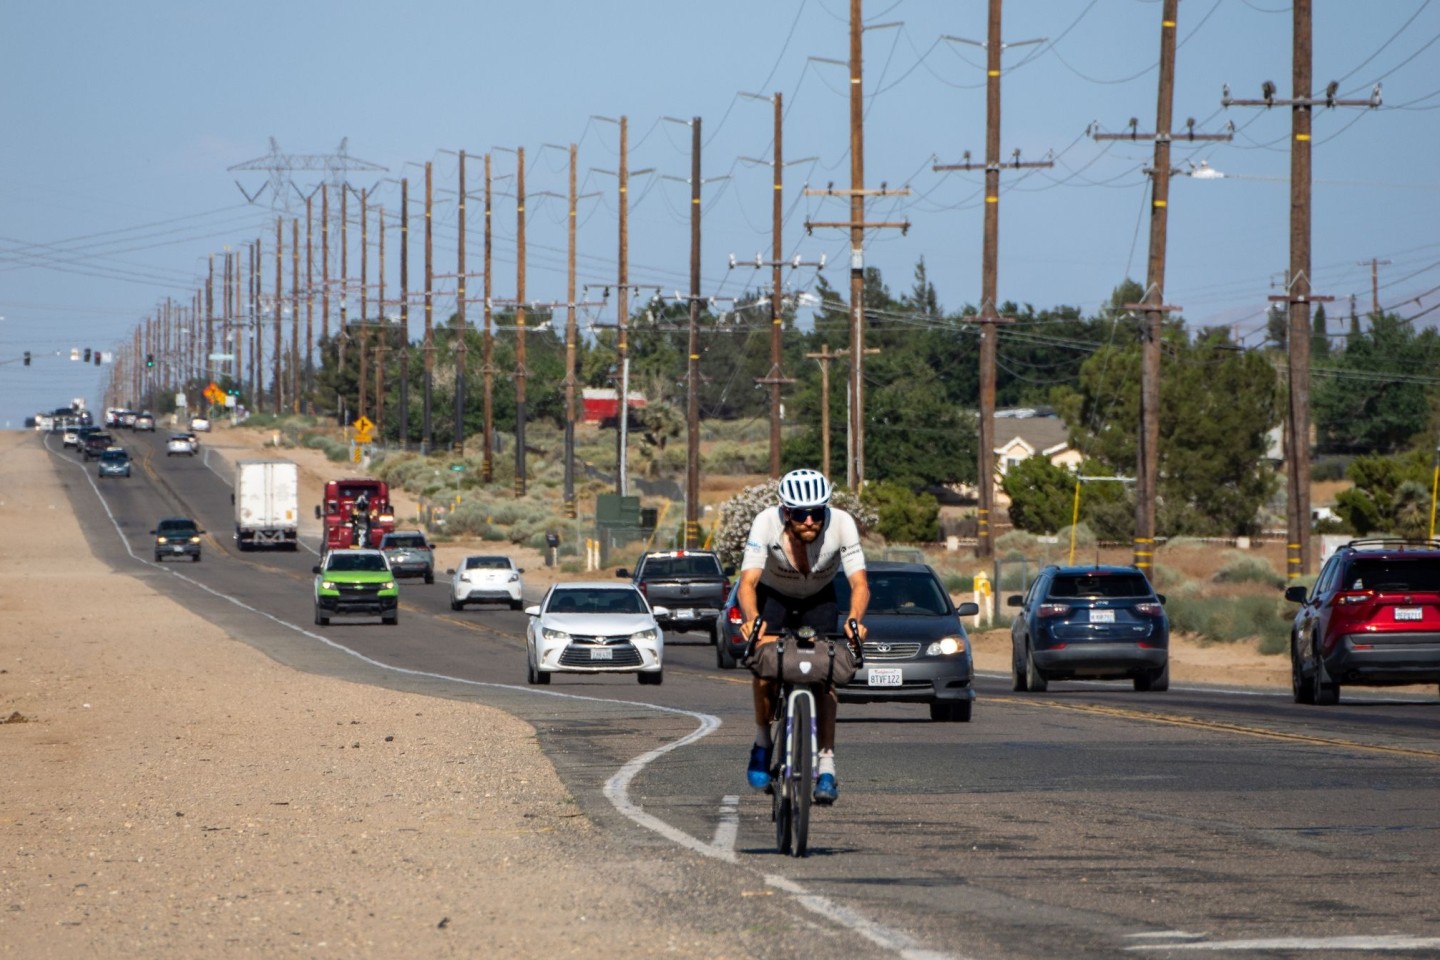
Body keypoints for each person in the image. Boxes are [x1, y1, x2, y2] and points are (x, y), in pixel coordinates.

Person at [737, 468, 868, 805]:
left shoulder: (842, 524)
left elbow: (859, 584)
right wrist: (752, 620)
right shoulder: (765, 522)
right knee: (765, 663)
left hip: (819, 598)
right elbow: (748, 583)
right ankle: (763, 743)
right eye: (799, 513)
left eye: (816, 512)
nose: (809, 520)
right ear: (785, 511)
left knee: (825, 676)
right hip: (774, 596)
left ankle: (826, 767)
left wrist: (855, 620)